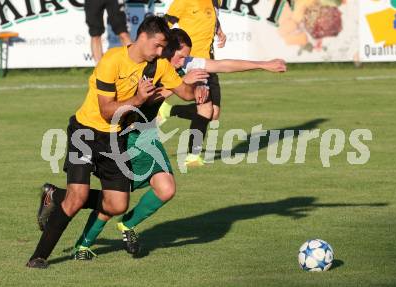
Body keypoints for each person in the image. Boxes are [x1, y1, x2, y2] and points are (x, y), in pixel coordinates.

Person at [38, 28, 286, 260]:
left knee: (165, 188)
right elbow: (137, 104)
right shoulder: (149, 66)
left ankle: (128, 224)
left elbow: (222, 64)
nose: (183, 62)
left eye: (186, 58)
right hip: (124, 134)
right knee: (114, 199)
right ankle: (82, 240)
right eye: (180, 57)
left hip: (147, 135)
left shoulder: (181, 64)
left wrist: (263, 65)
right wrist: (181, 84)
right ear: (167, 50)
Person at [26, 16, 204, 269]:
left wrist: (195, 89)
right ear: (143, 37)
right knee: (78, 197)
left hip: (114, 139)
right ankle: (39, 256)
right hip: (86, 132)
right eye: (158, 45)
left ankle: (55, 196)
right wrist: (140, 99)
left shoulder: (161, 65)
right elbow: (108, 111)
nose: (161, 51)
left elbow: (183, 91)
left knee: (118, 203)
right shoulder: (112, 60)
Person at [162, 0, 227, 167]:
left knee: (213, 114)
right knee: (206, 109)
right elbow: (164, 25)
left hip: (207, 61)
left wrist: (219, 30)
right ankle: (193, 156)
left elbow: (211, 18)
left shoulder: (216, 1)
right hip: (190, 63)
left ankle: (168, 110)